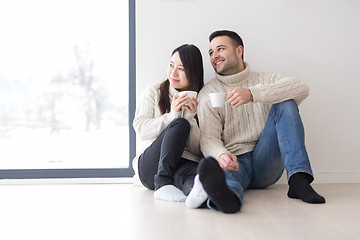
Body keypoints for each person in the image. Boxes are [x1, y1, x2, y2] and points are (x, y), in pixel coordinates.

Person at [186, 30, 325, 213]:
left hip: (266, 160)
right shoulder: (208, 93)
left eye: (220, 49)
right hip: (236, 161)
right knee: (224, 177)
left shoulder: (268, 78)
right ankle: (228, 199)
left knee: (286, 103)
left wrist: (253, 94)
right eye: (211, 52)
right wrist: (221, 155)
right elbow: (208, 139)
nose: (214, 56)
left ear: (239, 50)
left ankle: (299, 179)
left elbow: (301, 88)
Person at [132, 44, 204, 202]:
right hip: (150, 167)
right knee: (180, 124)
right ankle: (162, 183)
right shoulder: (154, 93)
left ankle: (196, 195)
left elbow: (196, 150)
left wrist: (192, 117)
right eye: (171, 65)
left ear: (193, 72)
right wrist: (173, 116)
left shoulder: (203, 99)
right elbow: (141, 130)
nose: (173, 72)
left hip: (182, 163)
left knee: (192, 175)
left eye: (181, 68)